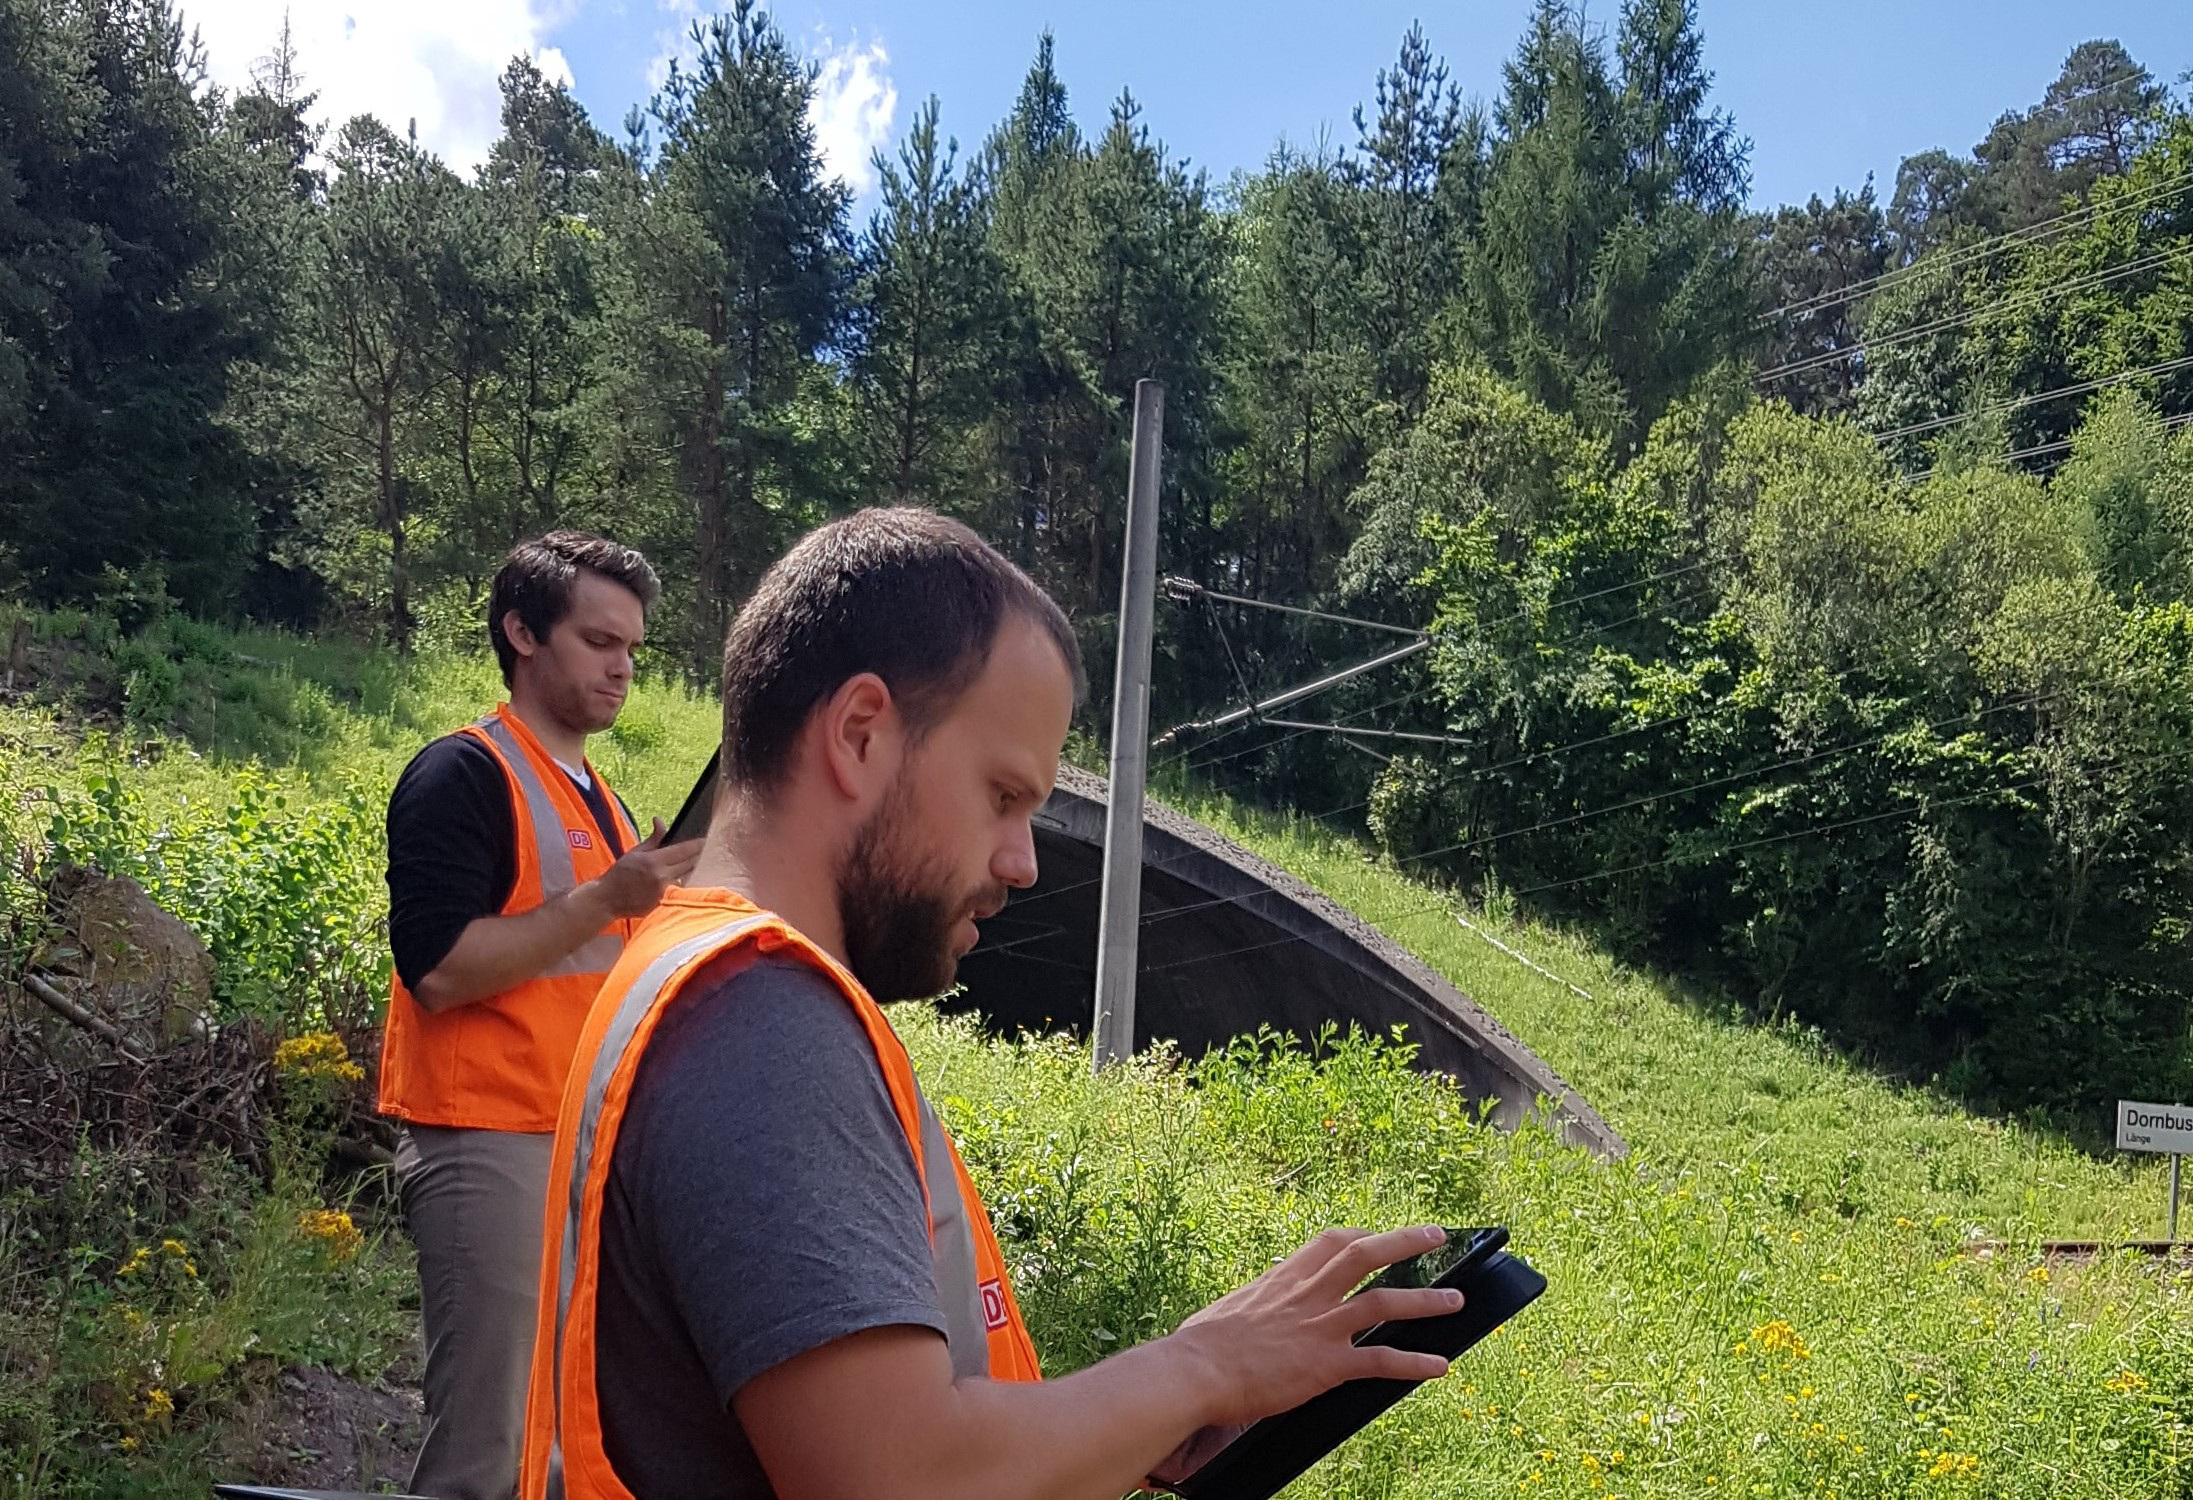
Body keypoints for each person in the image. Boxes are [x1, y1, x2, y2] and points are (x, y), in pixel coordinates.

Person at [519, 508, 1461, 1500]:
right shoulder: (761, 1021)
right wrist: (1205, 1370)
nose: (1022, 862)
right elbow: (902, 1481)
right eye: (1004, 796)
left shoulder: (688, 960)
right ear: (860, 734)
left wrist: (1155, 1409)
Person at [381, 531, 703, 1500]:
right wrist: (606, 901)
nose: (623, 667)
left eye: (634, 648)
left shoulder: (601, 801)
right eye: (600, 641)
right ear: (522, 633)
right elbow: (437, 970)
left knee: (567, 1453)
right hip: (484, 1143)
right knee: (487, 1451)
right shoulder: (461, 775)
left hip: (578, 1156)